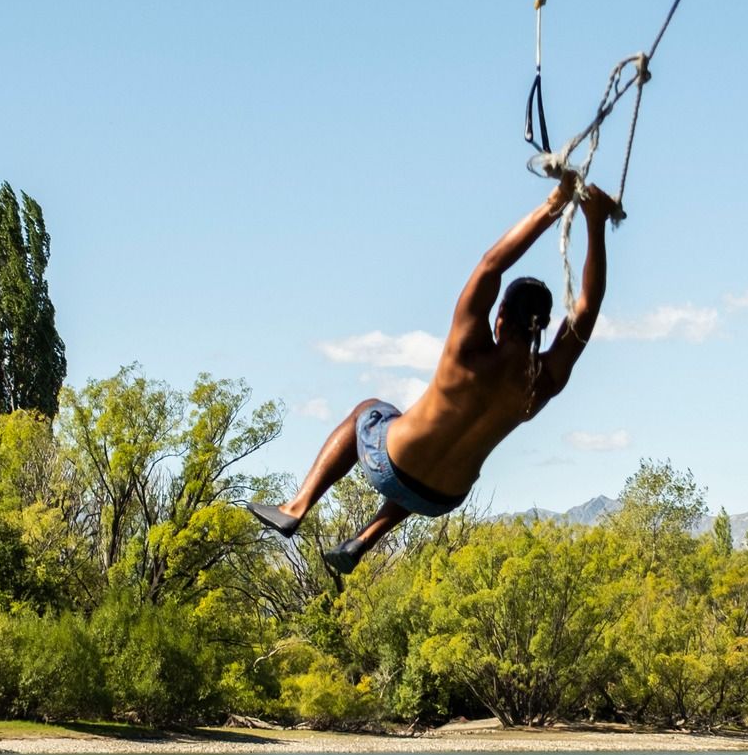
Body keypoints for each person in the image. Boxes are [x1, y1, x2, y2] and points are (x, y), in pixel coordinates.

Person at [253, 176, 616, 575]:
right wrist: (595, 223)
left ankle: (297, 505)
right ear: (543, 326)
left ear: (499, 318)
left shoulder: (469, 349)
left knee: (369, 410)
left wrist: (555, 203)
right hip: (443, 497)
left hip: (391, 463)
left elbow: (491, 264)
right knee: (435, 460)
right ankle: (364, 539)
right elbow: (588, 305)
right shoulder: (545, 380)